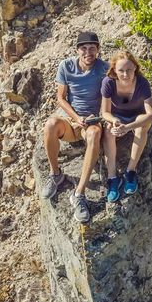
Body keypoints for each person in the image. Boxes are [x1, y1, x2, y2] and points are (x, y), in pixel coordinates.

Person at [40, 31, 109, 222]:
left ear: (98, 50)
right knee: (51, 124)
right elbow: (60, 98)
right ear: (78, 50)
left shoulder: (104, 68)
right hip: (72, 120)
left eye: (92, 48)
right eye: (84, 48)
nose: (88, 52)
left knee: (94, 135)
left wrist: (97, 118)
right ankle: (56, 173)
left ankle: (79, 194)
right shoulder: (66, 66)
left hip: (93, 121)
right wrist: (76, 118)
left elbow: (110, 96)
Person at [99, 51, 152, 202]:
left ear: (135, 69)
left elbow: (151, 114)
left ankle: (130, 171)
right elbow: (104, 112)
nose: (125, 74)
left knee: (143, 125)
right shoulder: (108, 82)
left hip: (136, 118)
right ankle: (112, 177)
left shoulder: (142, 83)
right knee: (109, 130)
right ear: (114, 71)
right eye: (121, 70)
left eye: (129, 70)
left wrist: (128, 126)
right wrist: (114, 121)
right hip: (118, 117)